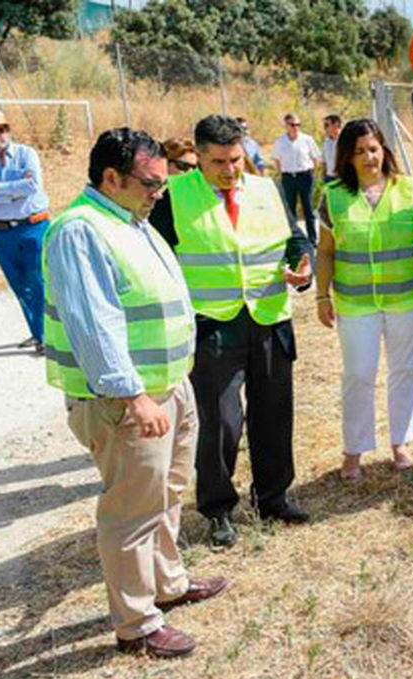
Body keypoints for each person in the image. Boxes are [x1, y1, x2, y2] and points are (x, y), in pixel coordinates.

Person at [43, 128, 228, 657]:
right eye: (149, 183)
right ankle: (137, 624)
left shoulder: (131, 219)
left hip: (169, 387)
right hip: (128, 403)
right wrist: (133, 398)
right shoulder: (81, 231)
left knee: (166, 496)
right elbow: (93, 326)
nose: (158, 193)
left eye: (162, 184)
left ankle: (167, 584)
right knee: (130, 512)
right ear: (110, 178)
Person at [149, 115, 314, 549]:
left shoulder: (264, 189)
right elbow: (156, 263)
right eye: (218, 161)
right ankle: (219, 509)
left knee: (274, 413)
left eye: (236, 159)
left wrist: (303, 266)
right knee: (220, 422)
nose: (229, 169)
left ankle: (274, 497)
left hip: (269, 319)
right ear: (198, 157)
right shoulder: (173, 199)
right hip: (212, 327)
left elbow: (293, 240)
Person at [315, 119, 413, 480]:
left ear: (384, 150)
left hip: (406, 299)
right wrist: (322, 295)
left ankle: (401, 442)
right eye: (359, 151)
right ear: (348, 158)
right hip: (356, 305)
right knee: (358, 374)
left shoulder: (408, 189)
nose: (368, 157)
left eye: (373, 148)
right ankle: (353, 450)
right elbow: (325, 251)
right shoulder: (334, 196)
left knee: (405, 370)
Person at [0, 108, 49, 354]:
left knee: (38, 281)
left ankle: (47, 335)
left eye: (1, 129)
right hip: (2, 231)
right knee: (19, 285)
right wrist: (14, 191)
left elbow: (33, 186)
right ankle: (38, 333)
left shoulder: (27, 154)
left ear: (9, 129)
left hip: (33, 226)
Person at [272, 113, 321, 244]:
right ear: (286, 126)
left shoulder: (307, 140)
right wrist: (281, 173)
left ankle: (312, 239)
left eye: (298, 125)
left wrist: (313, 174)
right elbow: (276, 159)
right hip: (289, 177)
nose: (296, 127)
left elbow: (316, 157)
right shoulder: (280, 141)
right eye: (293, 125)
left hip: (305, 176)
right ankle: (293, 239)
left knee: (308, 208)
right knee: (290, 209)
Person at [321, 114, 342, 183]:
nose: (325, 128)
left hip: (342, 178)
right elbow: (324, 161)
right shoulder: (326, 142)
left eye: (327, 125)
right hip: (329, 177)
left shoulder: (345, 140)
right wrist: (324, 175)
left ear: (336, 125)